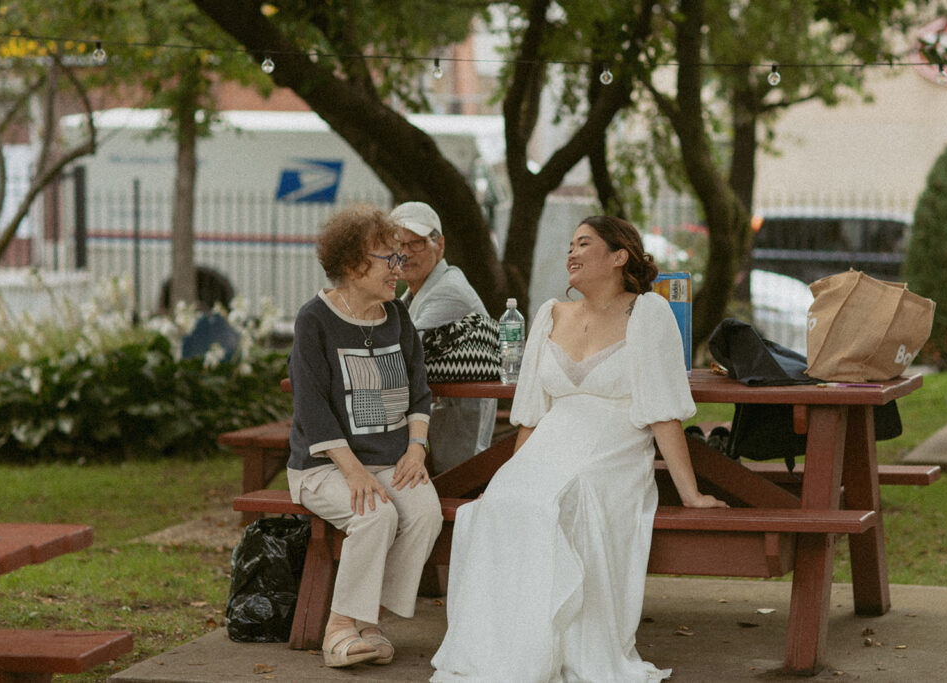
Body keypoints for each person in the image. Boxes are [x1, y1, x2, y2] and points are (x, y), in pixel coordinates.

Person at [431, 215, 727, 682]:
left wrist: (690, 494)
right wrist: (506, 477)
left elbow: (664, 413)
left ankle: (572, 644)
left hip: (613, 452)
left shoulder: (649, 314)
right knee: (501, 504)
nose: (571, 252)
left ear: (618, 256)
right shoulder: (550, 314)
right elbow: (529, 415)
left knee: (573, 497)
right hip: (549, 446)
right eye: (569, 244)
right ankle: (517, 647)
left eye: (583, 244)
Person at [287, 205, 443, 668]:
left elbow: (419, 392)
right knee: (374, 515)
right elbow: (312, 410)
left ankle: (370, 622)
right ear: (356, 265)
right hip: (325, 467)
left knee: (424, 512)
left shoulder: (397, 316)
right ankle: (339, 628)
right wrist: (353, 472)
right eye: (390, 258)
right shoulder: (314, 320)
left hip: (391, 460)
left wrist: (417, 449)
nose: (401, 268)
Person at [391, 201, 497, 474]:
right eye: (398, 245)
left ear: (440, 246)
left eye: (416, 243)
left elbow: (399, 358)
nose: (405, 253)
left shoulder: (447, 291)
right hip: (432, 427)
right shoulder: (416, 292)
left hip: (454, 441)